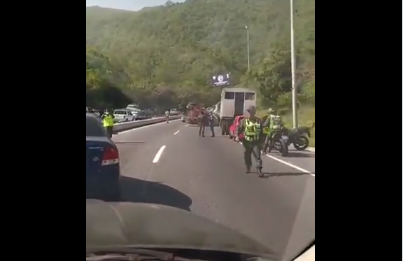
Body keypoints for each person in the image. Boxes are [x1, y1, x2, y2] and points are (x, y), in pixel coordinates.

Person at [236, 105, 264, 174]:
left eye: (252, 112)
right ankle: (248, 167)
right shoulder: (244, 121)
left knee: (258, 156)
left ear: (254, 112)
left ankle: (259, 169)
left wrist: (262, 142)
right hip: (247, 141)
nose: (250, 113)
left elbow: (262, 131)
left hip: (256, 141)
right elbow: (239, 129)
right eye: (249, 112)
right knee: (247, 155)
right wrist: (237, 136)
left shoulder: (258, 121)